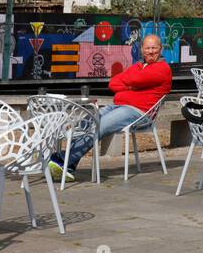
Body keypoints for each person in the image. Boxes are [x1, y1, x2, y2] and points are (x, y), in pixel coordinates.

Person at [50, 33, 171, 181]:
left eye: (154, 47)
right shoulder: (138, 66)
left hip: (141, 114)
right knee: (89, 120)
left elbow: (135, 78)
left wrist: (129, 82)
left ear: (160, 48)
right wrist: (131, 86)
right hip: (120, 106)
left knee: (100, 125)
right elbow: (113, 83)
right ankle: (67, 161)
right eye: (147, 48)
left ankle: (64, 160)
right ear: (142, 49)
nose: (151, 51)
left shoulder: (162, 68)